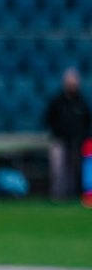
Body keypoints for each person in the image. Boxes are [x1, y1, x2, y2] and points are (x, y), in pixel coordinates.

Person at [44, 68, 88, 202]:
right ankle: (58, 194)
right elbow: (48, 118)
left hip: (75, 140)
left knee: (74, 169)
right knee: (58, 169)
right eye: (69, 83)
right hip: (59, 139)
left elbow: (87, 121)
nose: (72, 86)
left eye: (74, 83)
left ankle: (73, 194)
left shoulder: (81, 103)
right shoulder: (57, 101)